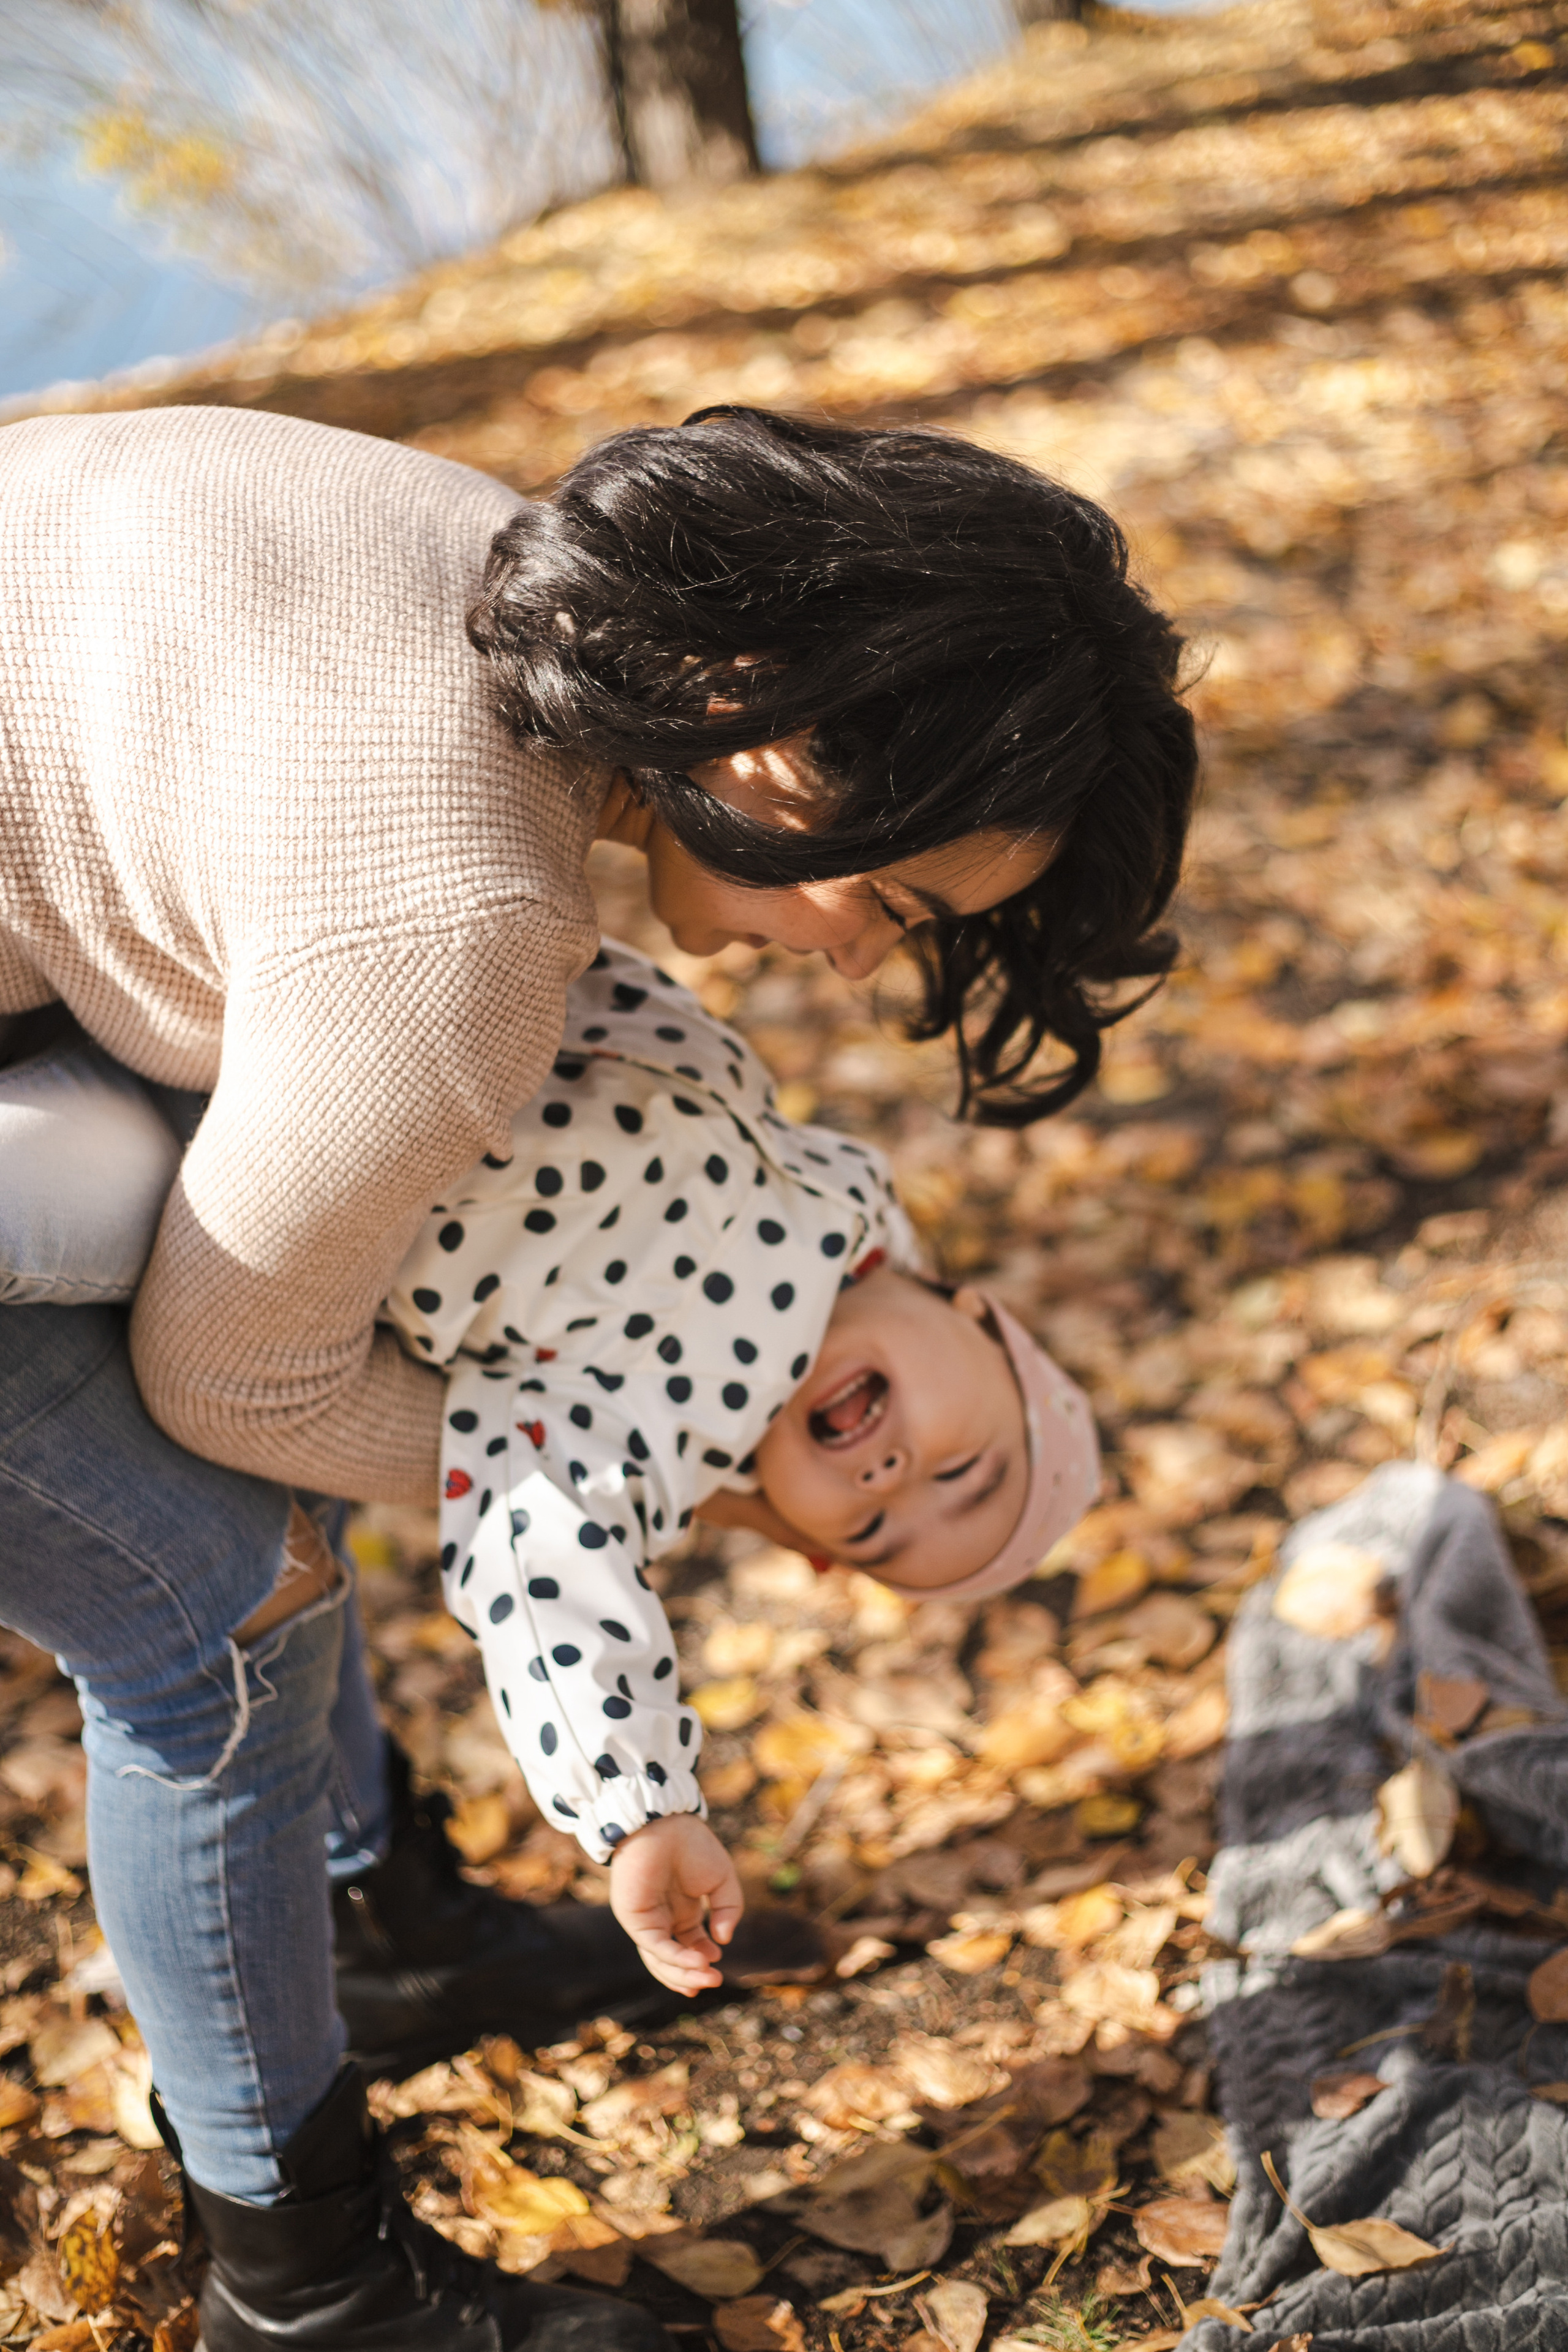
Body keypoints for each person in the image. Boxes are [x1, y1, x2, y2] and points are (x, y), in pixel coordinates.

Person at [0, 400, 1194, 2352]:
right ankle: (311, 2293)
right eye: (895, 902)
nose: (856, 966)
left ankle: (383, 1923)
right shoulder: (467, 931)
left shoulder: (495, 560)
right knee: (230, 1601)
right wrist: (620, 1475)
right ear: (798, 733)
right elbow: (234, 1382)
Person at [388, 938, 1101, 1999]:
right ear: (978, 1317)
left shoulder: (653, 1429)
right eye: (963, 1472)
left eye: (870, 1531)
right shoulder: (846, 1200)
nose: (890, 1478)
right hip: (469, 953)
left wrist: (640, 1810)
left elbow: (549, 1580)